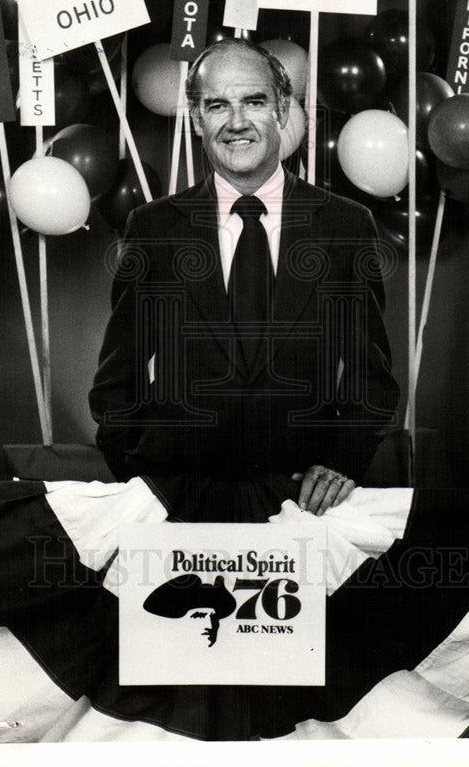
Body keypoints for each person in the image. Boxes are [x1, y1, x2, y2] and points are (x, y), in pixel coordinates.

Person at [89, 38, 399, 522]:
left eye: (254, 102)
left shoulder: (344, 225)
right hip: (178, 498)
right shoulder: (154, 229)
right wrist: (139, 472)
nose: (237, 123)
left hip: (303, 502)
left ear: (281, 108)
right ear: (196, 119)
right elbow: (116, 379)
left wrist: (341, 463)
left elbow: (371, 377)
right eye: (217, 106)